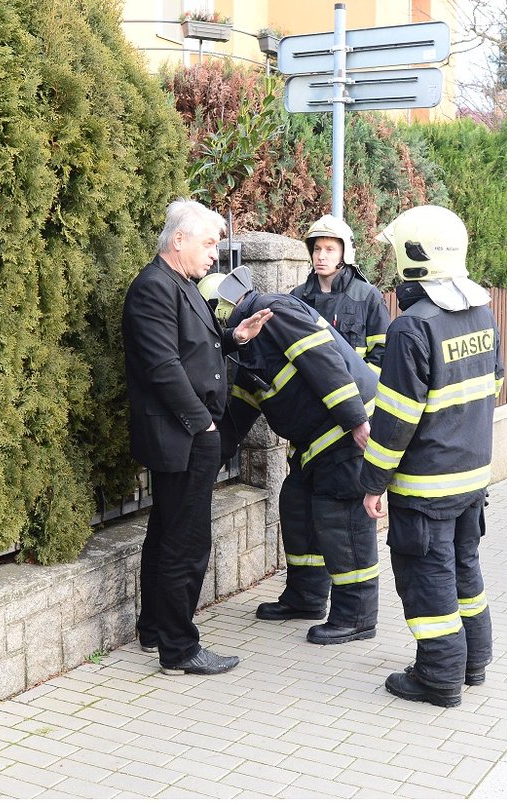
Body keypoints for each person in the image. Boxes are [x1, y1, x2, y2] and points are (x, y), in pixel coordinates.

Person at [360, 205, 505, 708]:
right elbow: (494, 387)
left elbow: (395, 418)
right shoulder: (483, 313)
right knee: (465, 568)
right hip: (472, 478)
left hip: (425, 487)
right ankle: (473, 663)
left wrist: (373, 482)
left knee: (428, 579)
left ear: (412, 257)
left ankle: (439, 678)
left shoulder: (411, 327)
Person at [122, 198, 271, 675]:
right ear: (178, 240)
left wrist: (235, 337)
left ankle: (153, 630)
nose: (214, 255)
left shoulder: (177, 284)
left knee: (167, 531)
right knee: (185, 541)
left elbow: (193, 349)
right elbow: (162, 367)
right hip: (183, 435)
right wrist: (202, 424)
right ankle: (180, 649)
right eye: (209, 244)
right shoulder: (153, 288)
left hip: (186, 433)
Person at [200, 267, 380, 645]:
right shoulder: (249, 347)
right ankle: (306, 598)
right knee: (297, 504)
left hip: (347, 432)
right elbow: (238, 415)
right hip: (315, 443)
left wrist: (356, 421)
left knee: (342, 517)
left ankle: (357, 616)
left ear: (221, 310)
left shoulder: (273, 312)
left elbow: (324, 362)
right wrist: (201, 468)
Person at [291, 215, 391, 374]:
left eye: (330, 249)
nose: (321, 256)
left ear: (345, 253)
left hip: (354, 394)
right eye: (317, 249)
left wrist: (362, 384)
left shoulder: (367, 297)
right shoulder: (297, 297)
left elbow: (383, 352)